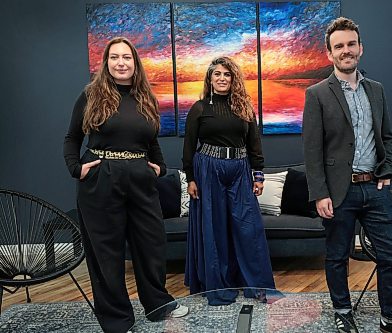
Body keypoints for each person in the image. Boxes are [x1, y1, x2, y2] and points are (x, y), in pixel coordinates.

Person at [63, 37, 188, 333]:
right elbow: (72, 139)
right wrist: (76, 168)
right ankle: (117, 319)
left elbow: (151, 139)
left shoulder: (145, 96)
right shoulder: (91, 95)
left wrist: (160, 167)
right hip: (100, 178)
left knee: (151, 244)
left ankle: (158, 304)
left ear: (135, 63)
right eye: (115, 57)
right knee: (107, 252)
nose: (121, 63)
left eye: (127, 58)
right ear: (106, 63)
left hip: (140, 179)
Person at [302, 17, 392, 333]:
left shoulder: (376, 90)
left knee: (391, 255)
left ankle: (391, 319)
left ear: (360, 48)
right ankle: (341, 310)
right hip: (339, 192)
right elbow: (312, 150)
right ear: (330, 54)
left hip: (375, 189)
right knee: (338, 257)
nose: (345, 50)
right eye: (339, 46)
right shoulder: (317, 94)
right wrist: (319, 193)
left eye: (351, 44)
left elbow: (387, 136)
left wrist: (387, 169)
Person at [182, 56, 275, 305]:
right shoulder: (199, 108)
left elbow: (254, 143)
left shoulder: (244, 108)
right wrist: (190, 179)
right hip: (208, 170)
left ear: (233, 79)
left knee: (248, 227)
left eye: (227, 74)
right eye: (217, 74)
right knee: (215, 228)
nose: (222, 78)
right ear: (210, 79)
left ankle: (256, 285)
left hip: (240, 170)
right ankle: (218, 286)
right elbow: (189, 147)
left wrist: (258, 174)